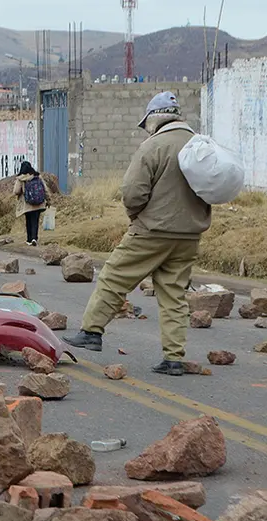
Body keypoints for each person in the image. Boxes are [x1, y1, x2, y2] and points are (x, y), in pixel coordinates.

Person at [63, 92, 211, 377]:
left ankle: (92, 331)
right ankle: (173, 358)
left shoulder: (153, 146)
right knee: (173, 295)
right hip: (190, 234)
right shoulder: (198, 145)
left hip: (152, 230)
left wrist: (136, 217)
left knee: (114, 277)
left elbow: (133, 193)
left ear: (154, 119)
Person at [12, 161, 48, 246]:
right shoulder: (37, 176)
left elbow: (16, 191)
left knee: (28, 221)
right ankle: (34, 238)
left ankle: (29, 239)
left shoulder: (21, 178)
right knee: (35, 221)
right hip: (38, 203)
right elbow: (45, 190)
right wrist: (48, 201)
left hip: (27, 203)